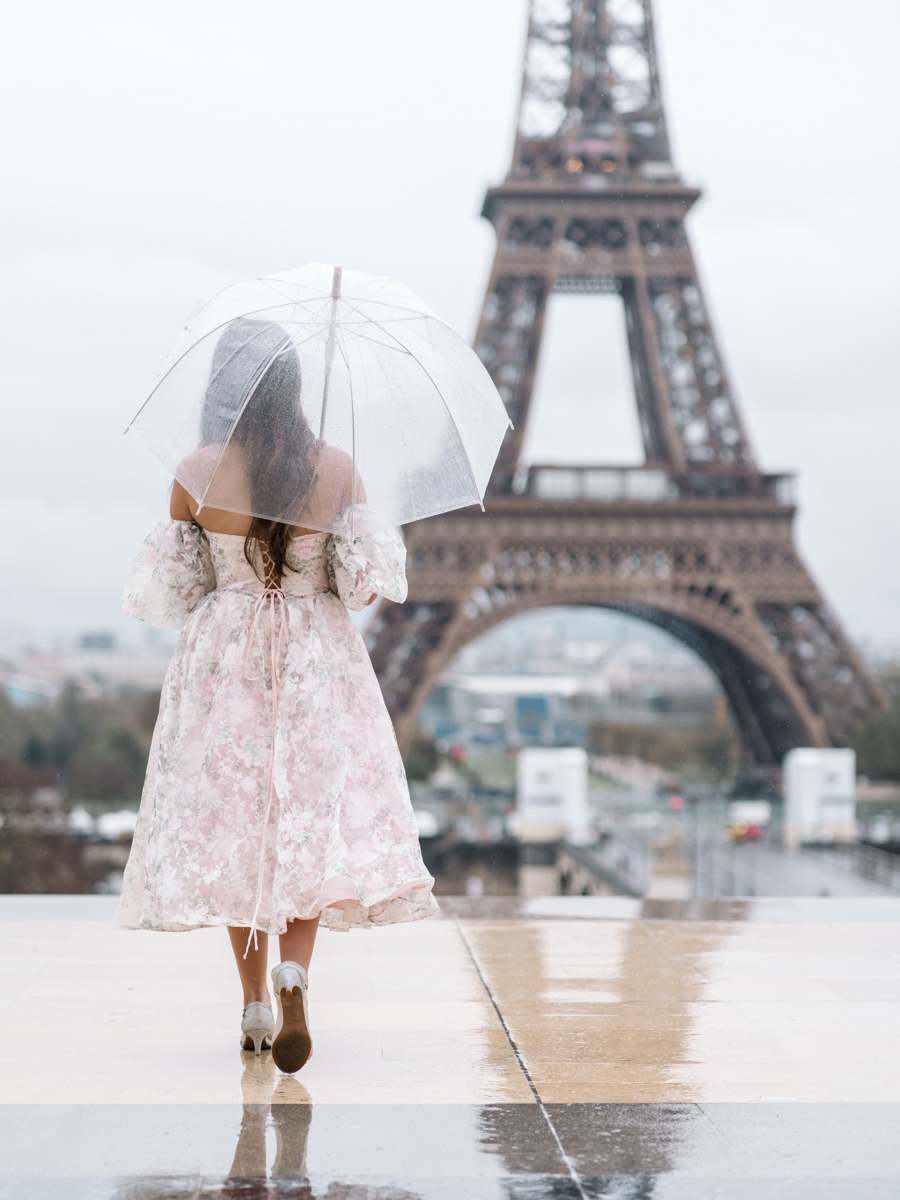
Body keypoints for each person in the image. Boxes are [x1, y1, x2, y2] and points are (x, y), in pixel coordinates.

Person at [116, 318, 437, 1073]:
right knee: (305, 822)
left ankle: (255, 1003)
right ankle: (297, 972)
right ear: (295, 387)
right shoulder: (337, 468)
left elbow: (179, 588)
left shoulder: (196, 471)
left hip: (225, 666)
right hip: (314, 662)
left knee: (241, 830)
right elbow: (360, 589)